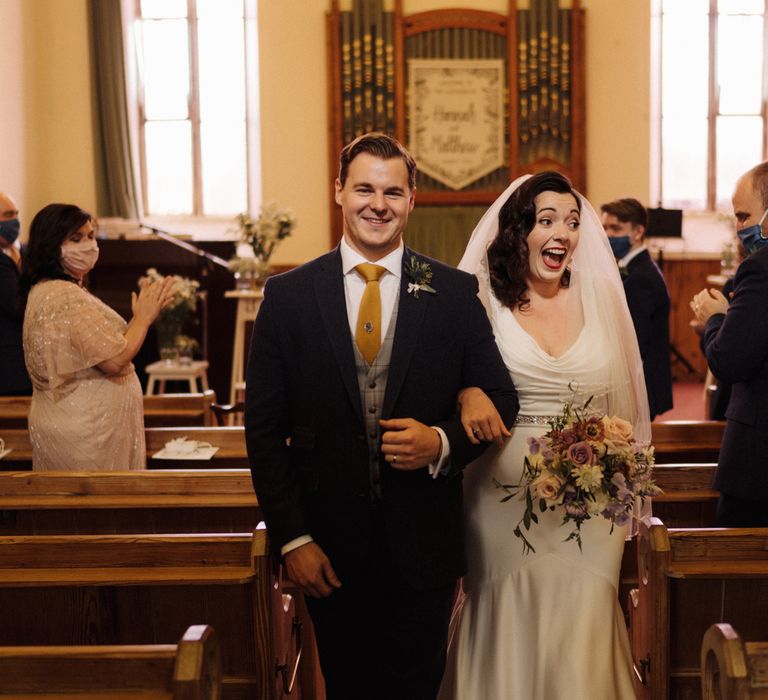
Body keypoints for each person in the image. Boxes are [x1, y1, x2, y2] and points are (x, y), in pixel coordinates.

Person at [244, 133, 519, 699]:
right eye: (364, 188)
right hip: (328, 546)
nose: (378, 203)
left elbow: (501, 396)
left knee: (417, 685)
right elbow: (265, 431)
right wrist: (293, 538)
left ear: (412, 199)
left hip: (424, 543)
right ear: (339, 192)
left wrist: (441, 441)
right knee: (347, 685)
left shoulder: (453, 291)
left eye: (393, 191)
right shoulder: (288, 297)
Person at [439, 172, 650, 700]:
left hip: (592, 500)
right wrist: (467, 392)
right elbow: (446, 378)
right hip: (498, 498)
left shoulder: (601, 295)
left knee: (585, 616)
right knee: (505, 609)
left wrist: (615, 462)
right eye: (547, 219)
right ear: (519, 230)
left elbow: (624, 399)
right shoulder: (484, 298)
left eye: (573, 222)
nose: (562, 233)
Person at [20, 203, 175, 471]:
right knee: (93, 512)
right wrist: (143, 319)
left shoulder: (51, 291)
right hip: (87, 434)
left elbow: (97, 350)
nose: (88, 246)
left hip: (83, 428)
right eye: (76, 239)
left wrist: (136, 322)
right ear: (51, 245)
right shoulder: (62, 296)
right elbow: (114, 361)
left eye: (91, 236)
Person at [691, 161, 768, 527]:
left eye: (743, 216)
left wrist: (715, 320)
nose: (739, 228)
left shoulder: (760, 268)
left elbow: (731, 361)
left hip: (758, 464)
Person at [601, 197, 673, 419]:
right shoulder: (634, 268)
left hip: (640, 382)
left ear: (638, 232)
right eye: (604, 227)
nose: (608, 234)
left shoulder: (641, 277)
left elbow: (634, 339)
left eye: (615, 228)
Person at [0, 191, 32, 396]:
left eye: (16, 214)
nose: (15, 221)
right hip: (9, 363)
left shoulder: (28, 252)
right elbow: (17, 304)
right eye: (8, 215)